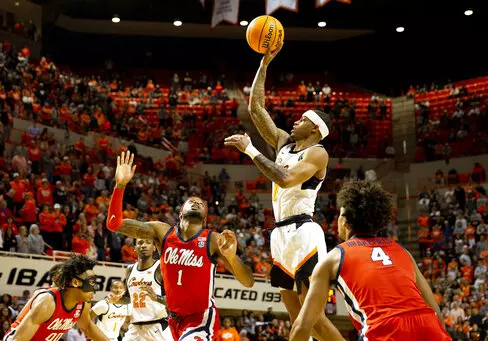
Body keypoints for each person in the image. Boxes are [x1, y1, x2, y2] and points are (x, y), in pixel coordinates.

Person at [224, 42, 330, 336]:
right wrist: (264, 65)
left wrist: (251, 151)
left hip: (304, 231)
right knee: (296, 316)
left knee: (314, 316)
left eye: (303, 119)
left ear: (315, 129)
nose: (296, 121)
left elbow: (285, 179)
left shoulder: (318, 153)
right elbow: (256, 108)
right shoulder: (284, 143)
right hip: (279, 233)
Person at [107, 151, 254, 341]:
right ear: (180, 214)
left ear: (205, 218)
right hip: (173, 319)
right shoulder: (162, 233)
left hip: (201, 317)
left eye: (200, 203)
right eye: (191, 201)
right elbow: (114, 224)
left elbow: (248, 282)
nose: (195, 201)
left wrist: (232, 257)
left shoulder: (212, 239)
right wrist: (120, 185)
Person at [290, 181, 451, 341]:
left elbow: (302, 326)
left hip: (385, 329)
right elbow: (433, 307)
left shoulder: (333, 259)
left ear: (345, 221)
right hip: (430, 327)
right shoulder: (403, 251)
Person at [4, 254, 110, 341]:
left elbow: (87, 327)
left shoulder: (83, 304)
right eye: (91, 282)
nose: (95, 288)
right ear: (75, 282)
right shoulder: (48, 301)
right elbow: (18, 339)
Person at [121, 237, 172, 341]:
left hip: (156, 326)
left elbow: (173, 302)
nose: (143, 245)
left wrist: (157, 298)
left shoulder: (160, 267)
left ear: (154, 247)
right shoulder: (130, 269)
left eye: (148, 242)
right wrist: (115, 300)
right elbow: (127, 298)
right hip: (135, 328)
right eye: (140, 243)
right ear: (135, 248)